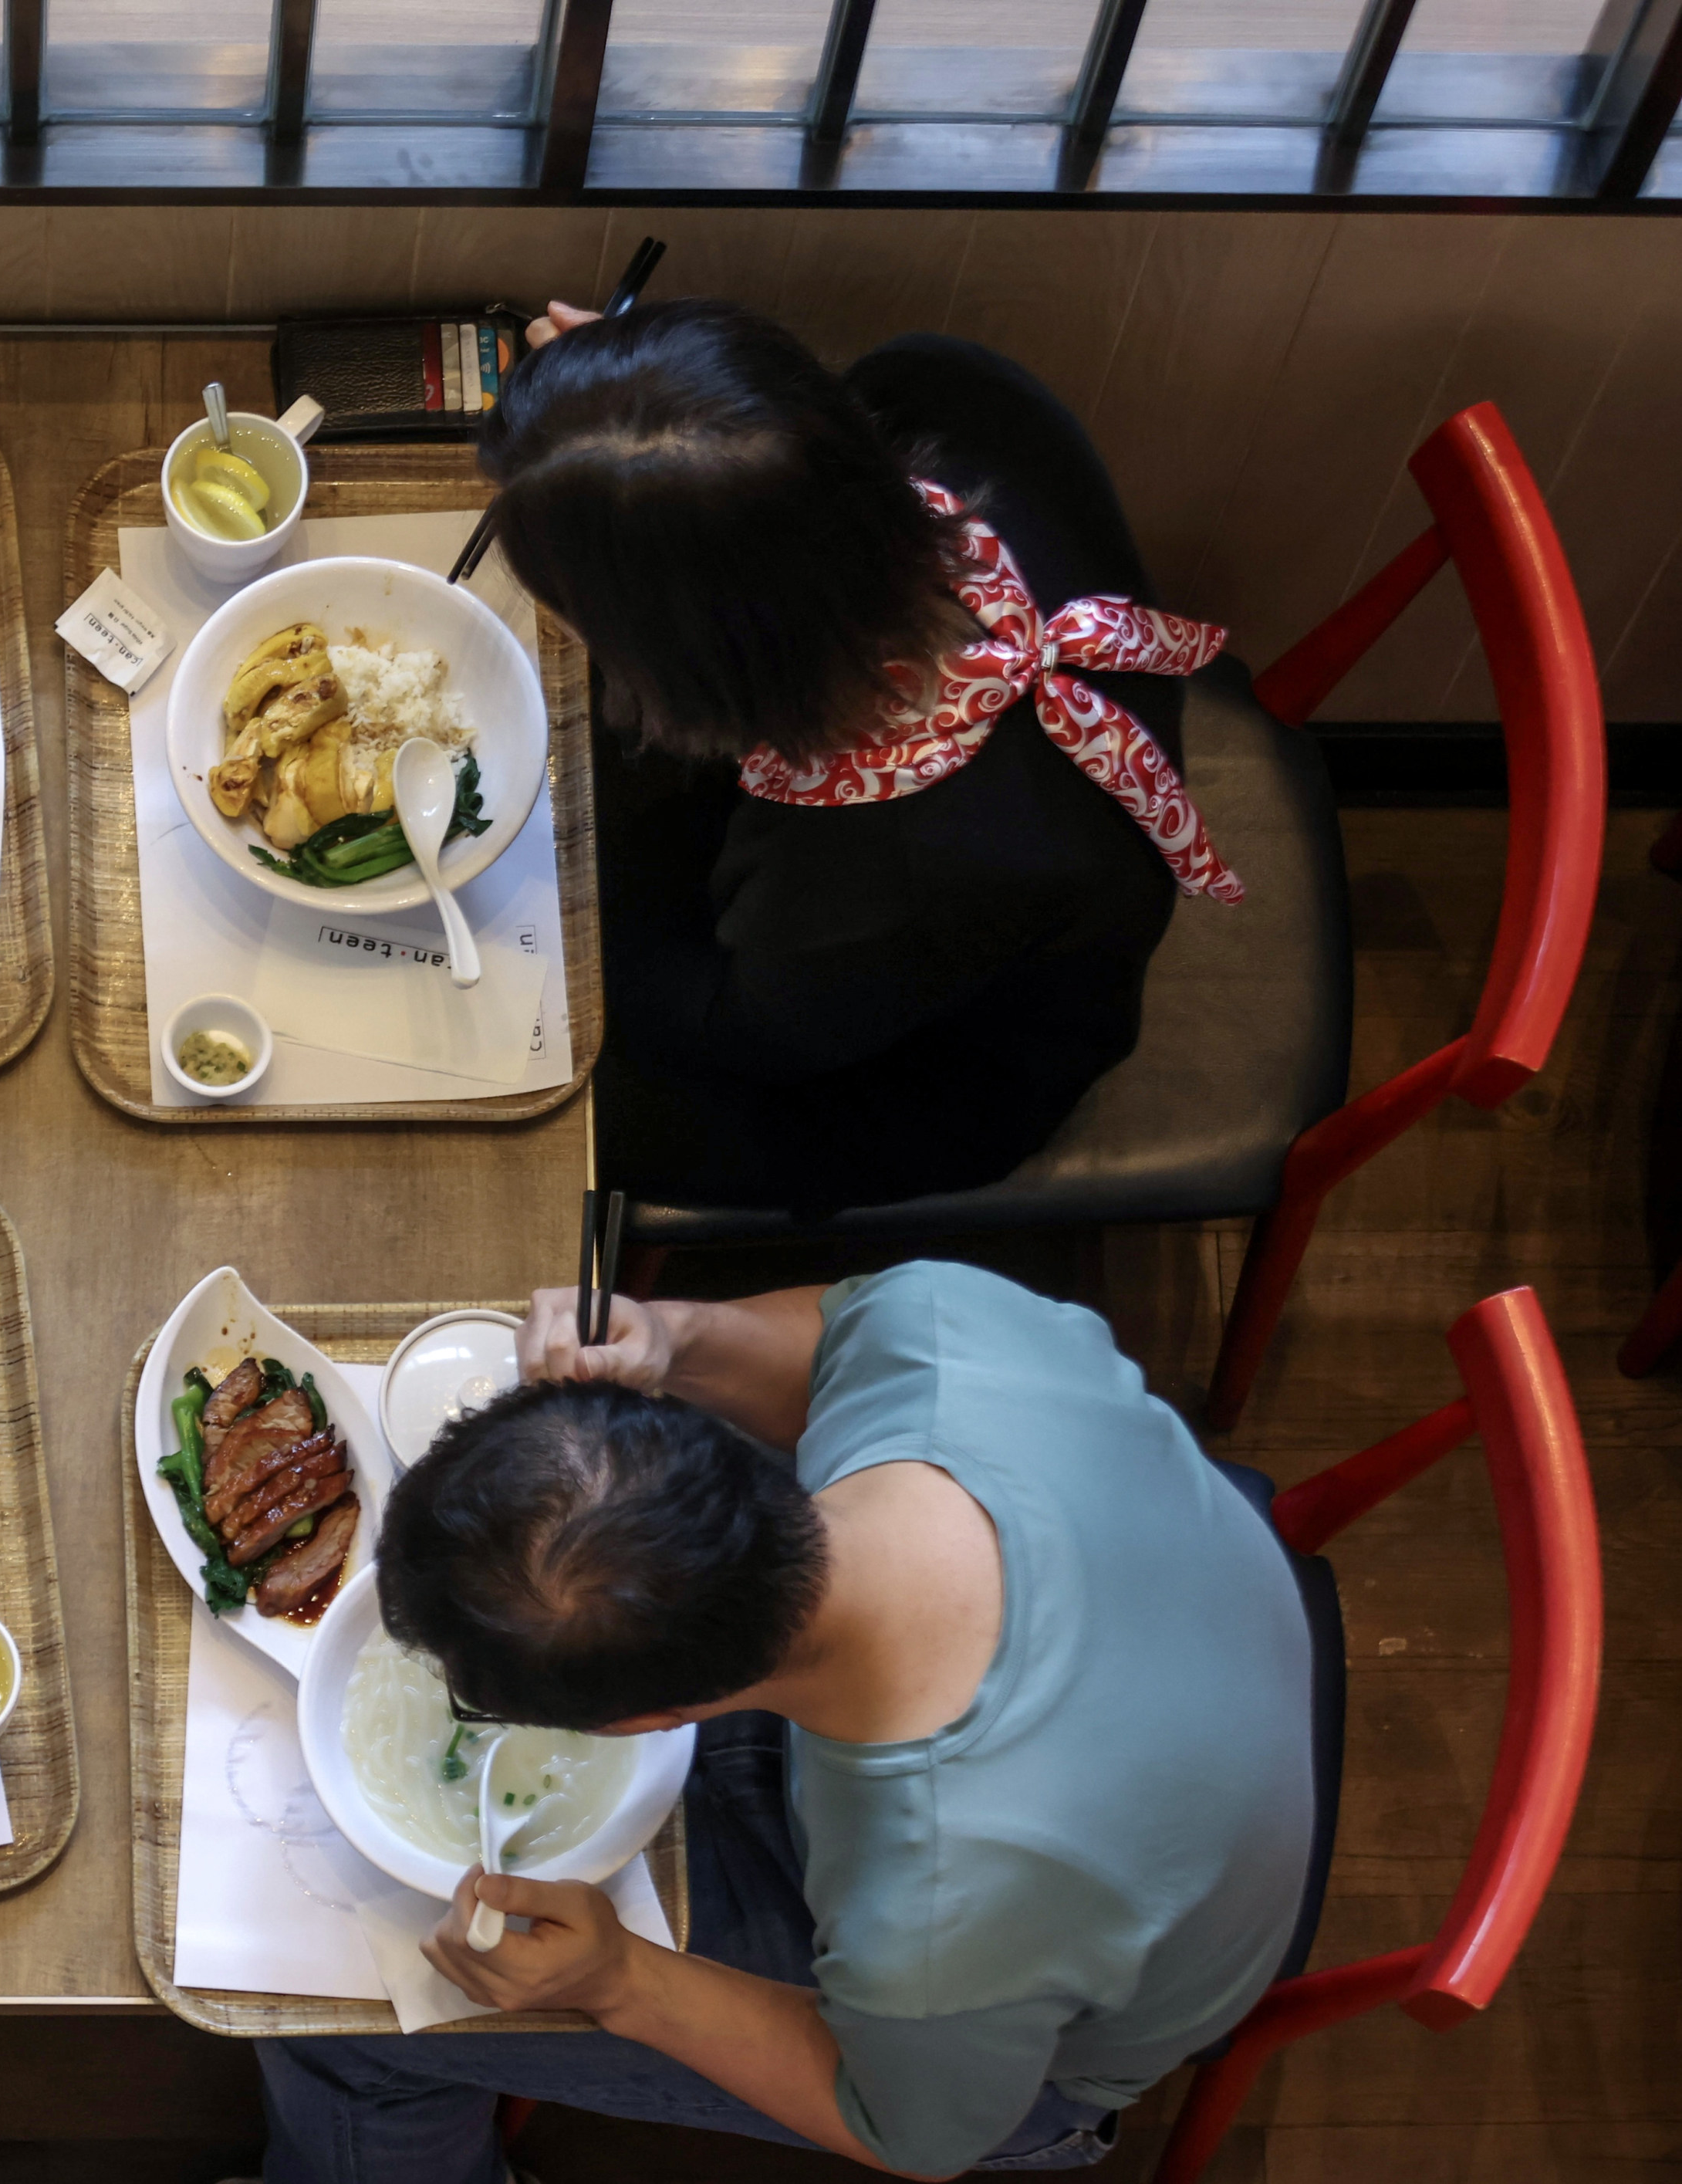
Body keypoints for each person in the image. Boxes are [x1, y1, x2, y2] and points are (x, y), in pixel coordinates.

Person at [247, 1262, 1313, 2182]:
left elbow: (912, 2132)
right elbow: (839, 1338)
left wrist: (621, 1979)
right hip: (1191, 1655)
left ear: (653, 1719)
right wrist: (677, 1333)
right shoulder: (946, 1341)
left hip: (1000, 2054)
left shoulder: (941, 1913)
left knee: (349, 2029)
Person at [481, 301, 1238, 1215]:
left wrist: (507, 923)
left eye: (578, 615)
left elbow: (733, 1028)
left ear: (690, 679)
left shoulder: (896, 878)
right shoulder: (949, 393)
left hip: (910, 1063)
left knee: (524, 1085)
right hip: (868, 899)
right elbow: (754, 460)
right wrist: (629, 418)